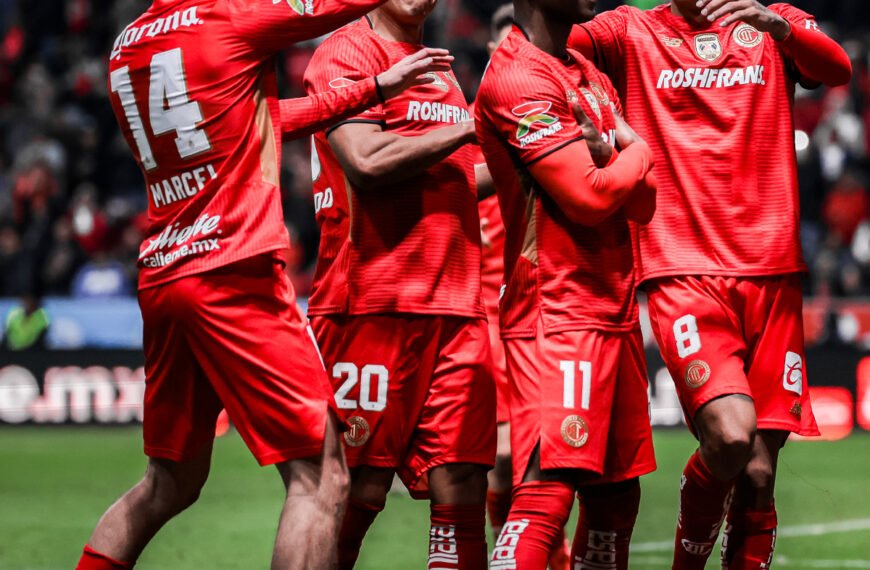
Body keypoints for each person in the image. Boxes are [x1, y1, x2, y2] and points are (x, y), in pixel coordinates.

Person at [77, 0, 393, 568]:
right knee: (320, 477)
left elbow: (258, 122)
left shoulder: (126, 45)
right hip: (232, 266)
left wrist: (371, 89)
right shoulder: (226, 17)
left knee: (167, 483)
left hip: (166, 272)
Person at [567, 1, 852, 567]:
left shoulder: (774, 22)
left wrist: (780, 28)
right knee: (727, 437)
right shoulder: (631, 28)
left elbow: (837, 68)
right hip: (683, 269)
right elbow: (556, 40)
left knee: (759, 473)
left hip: (773, 272)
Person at [302, 2, 497, 567]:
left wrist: (525, 162)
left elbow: (456, 177)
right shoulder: (345, 52)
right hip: (370, 305)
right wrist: (468, 127)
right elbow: (364, 159)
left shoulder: (435, 67)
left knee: (462, 483)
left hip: (457, 306)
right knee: (354, 491)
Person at [475, 0, 658, 566]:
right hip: (558, 310)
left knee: (616, 496)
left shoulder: (589, 72)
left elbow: (643, 205)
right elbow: (591, 197)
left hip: (615, 307)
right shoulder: (516, 75)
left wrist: (618, 163)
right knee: (548, 487)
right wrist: (641, 150)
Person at [475, 5, 569, 569]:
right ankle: (516, 553)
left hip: (534, 307)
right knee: (504, 461)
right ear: (493, 49)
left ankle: (538, 556)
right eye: (503, 33)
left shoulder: (551, 107)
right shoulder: (469, 124)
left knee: (536, 458)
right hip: (479, 317)